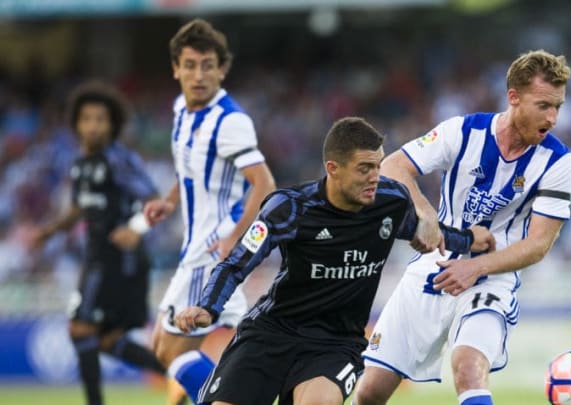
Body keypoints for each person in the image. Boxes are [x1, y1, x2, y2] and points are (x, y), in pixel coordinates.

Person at [173, 117, 495, 405]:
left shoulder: (390, 202)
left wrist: (467, 240)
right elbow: (237, 263)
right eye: (364, 168)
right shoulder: (290, 209)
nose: (375, 177)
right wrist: (208, 307)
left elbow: (426, 234)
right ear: (333, 168)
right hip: (273, 332)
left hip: (336, 343)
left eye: (378, 166)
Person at [354, 49, 571, 405]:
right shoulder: (461, 131)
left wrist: (476, 266)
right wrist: (427, 218)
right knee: (369, 393)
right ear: (514, 98)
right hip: (434, 266)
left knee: (469, 367)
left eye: (558, 107)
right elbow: (394, 167)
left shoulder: (559, 161)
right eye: (544, 105)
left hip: (492, 275)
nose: (553, 118)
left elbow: (539, 244)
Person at [142, 18, 276, 405]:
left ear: (222, 69)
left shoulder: (230, 122)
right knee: (164, 346)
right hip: (193, 248)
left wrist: (233, 238)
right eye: (189, 65)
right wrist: (169, 201)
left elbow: (264, 183)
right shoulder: (181, 109)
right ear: (176, 69)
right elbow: (188, 169)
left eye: (207, 65)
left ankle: (231, 399)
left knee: (172, 351)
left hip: (211, 249)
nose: (198, 74)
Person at [32, 81, 166, 405]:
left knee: (80, 330)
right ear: (76, 123)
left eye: (100, 119)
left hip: (119, 260)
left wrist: (135, 227)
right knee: (106, 341)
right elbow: (80, 207)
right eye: (86, 119)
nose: (93, 126)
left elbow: (154, 198)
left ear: (113, 123)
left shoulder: (118, 160)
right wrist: (51, 230)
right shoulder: (80, 164)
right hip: (98, 258)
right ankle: (185, 375)